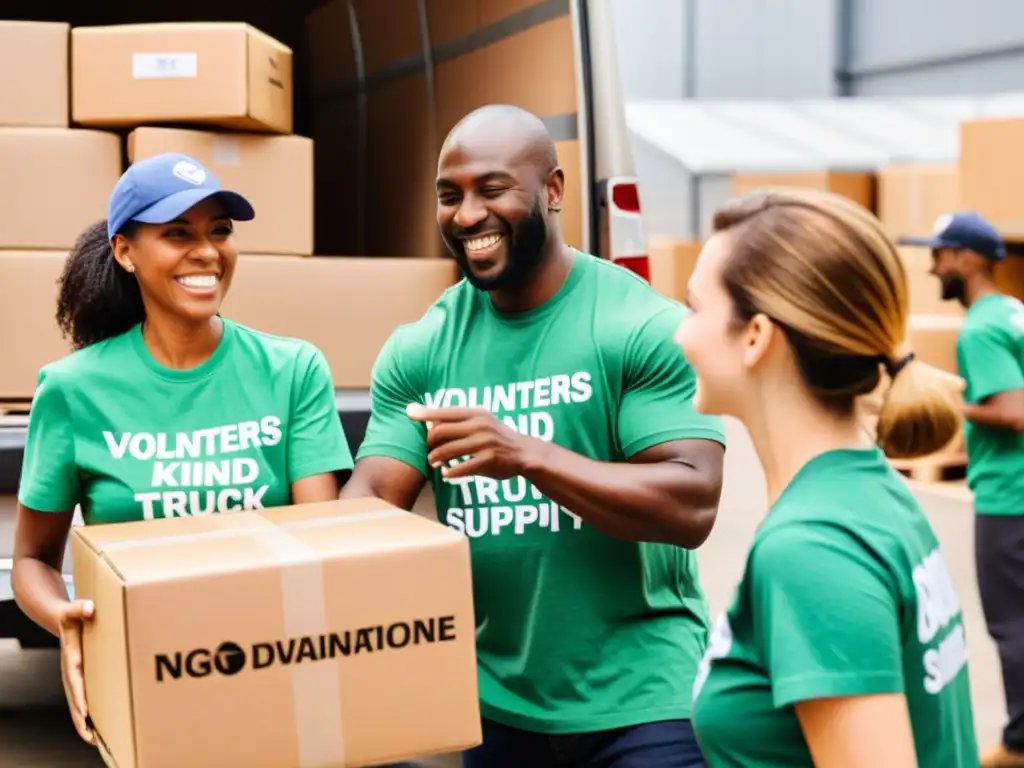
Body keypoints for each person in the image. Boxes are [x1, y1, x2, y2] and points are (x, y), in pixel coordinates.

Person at [340, 104, 726, 767]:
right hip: (498, 704)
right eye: (449, 196)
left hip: (642, 699)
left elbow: (691, 504)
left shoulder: (637, 325)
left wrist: (527, 455)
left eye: (492, 190)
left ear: (552, 191)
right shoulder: (422, 347)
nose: (466, 216)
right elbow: (370, 502)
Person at [12, 152, 353, 748]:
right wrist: (65, 620)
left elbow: (318, 552)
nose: (207, 252)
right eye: (177, 234)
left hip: (275, 674)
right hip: (147, 686)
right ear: (125, 252)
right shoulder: (73, 391)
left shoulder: (292, 370)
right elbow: (32, 562)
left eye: (218, 231)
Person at [682, 187, 978, 767]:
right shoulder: (868, 489)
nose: (679, 334)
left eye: (694, 308)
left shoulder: (811, 548)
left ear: (756, 337)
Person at [900, 211, 1024, 767]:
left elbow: (1012, 411)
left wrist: (943, 400)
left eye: (942, 254)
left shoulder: (979, 326)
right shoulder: (1012, 313)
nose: (934, 266)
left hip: (1008, 497)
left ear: (969, 259)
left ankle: (1019, 744)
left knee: (1012, 625)